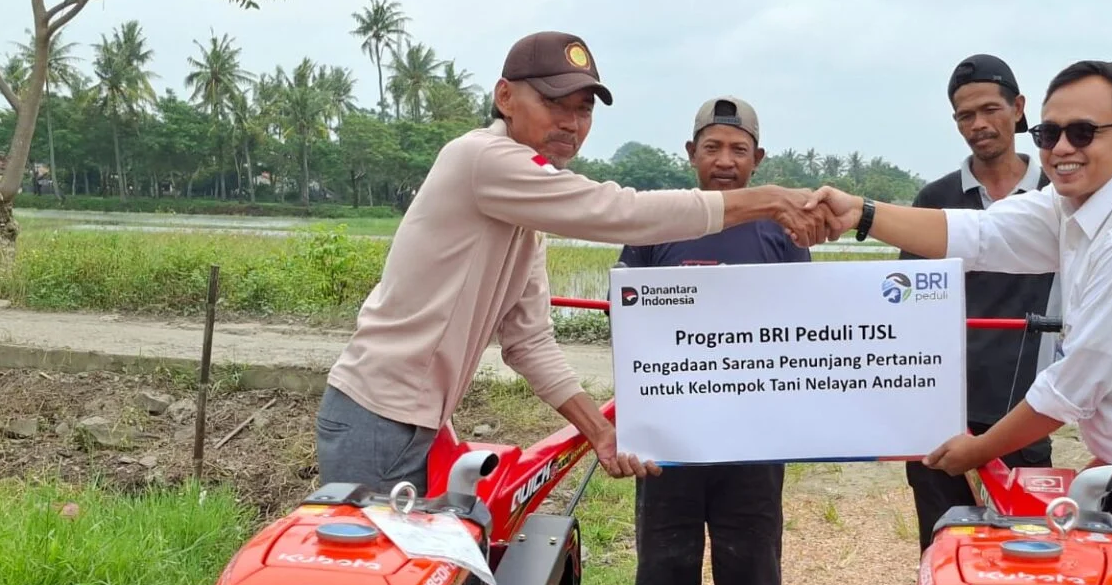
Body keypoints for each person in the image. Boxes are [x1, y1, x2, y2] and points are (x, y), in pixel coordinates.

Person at [807, 60, 1112, 585]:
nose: (1062, 148)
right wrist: (862, 213)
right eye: (1050, 133)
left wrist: (977, 449)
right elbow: (979, 234)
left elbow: (1070, 389)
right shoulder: (1070, 207)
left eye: (1083, 132)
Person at [317, 31, 825, 495]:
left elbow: (528, 342)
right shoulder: (482, 159)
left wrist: (599, 431)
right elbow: (620, 212)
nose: (570, 122)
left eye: (583, 110)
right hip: (377, 418)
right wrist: (766, 200)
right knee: (378, 566)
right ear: (505, 97)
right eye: (553, 103)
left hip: (420, 421)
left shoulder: (523, 213)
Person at [616, 97, 805, 585]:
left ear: (758, 159)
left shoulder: (780, 232)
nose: (725, 161)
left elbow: (807, 324)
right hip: (669, 428)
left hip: (754, 429)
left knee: (750, 554)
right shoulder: (656, 224)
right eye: (712, 148)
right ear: (690, 155)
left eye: (738, 150)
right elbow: (629, 317)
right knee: (664, 558)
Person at [899, 55, 1060, 550]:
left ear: (1019, 108)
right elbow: (905, 300)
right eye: (965, 116)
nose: (979, 124)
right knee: (944, 548)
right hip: (942, 411)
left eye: (990, 110)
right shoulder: (935, 199)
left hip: (1025, 411)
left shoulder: (1058, 194)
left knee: (1026, 549)